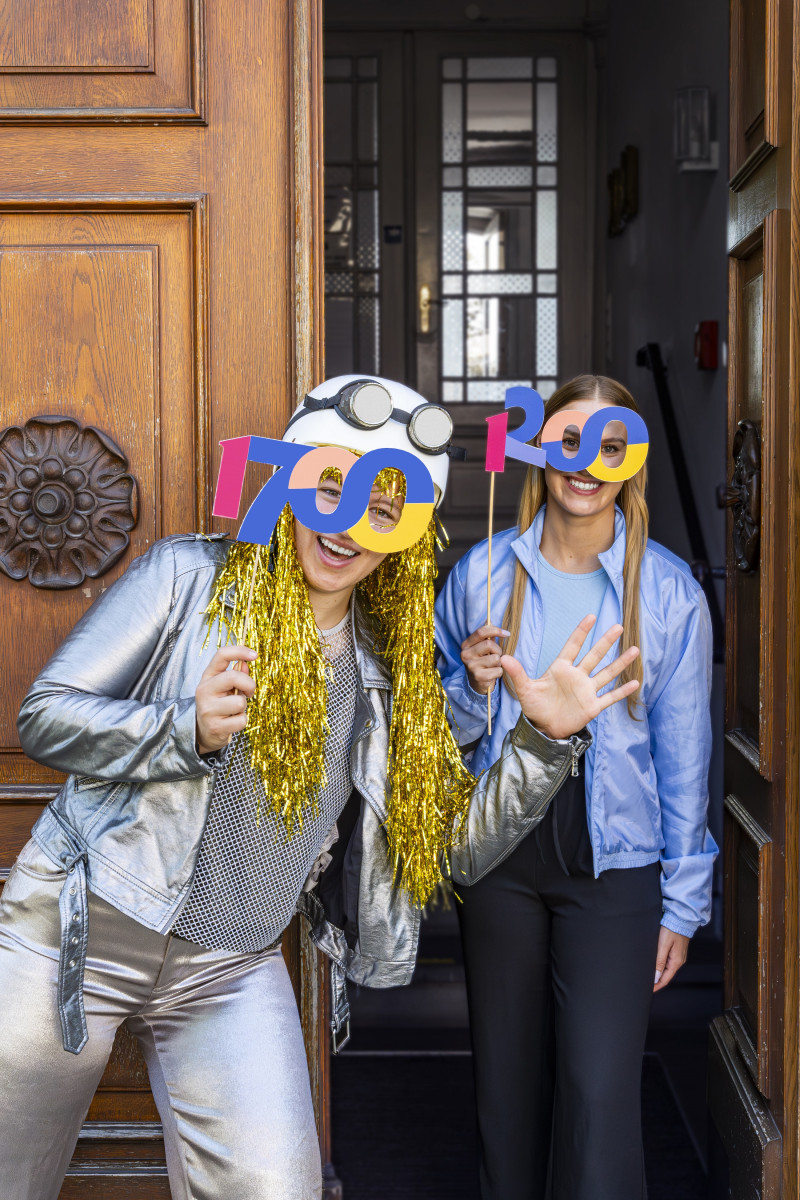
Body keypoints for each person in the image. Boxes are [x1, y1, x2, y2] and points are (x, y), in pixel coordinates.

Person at [0, 374, 638, 1200]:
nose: (346, 528)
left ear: (405, 533)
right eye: (329, 488)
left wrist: (542, 742)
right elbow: (46, 715)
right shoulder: (193, 579)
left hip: (229, 968)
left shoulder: (391, 669)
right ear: (291, 482)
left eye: (382, 509)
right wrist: (180, 730)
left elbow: (444, 850)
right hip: (80, 932)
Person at [435, 374, 718, 1200]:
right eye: (569, 442)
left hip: (617, 865)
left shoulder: (666, 594)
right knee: (508, 1094)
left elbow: (684, 758)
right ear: (539, 450)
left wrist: (681, 902)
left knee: (597, 1094)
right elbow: (439, 745)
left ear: (631, 461)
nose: (585, 465)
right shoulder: (482, 576)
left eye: (608, 446)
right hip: (501, 856)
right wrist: (472, 688)